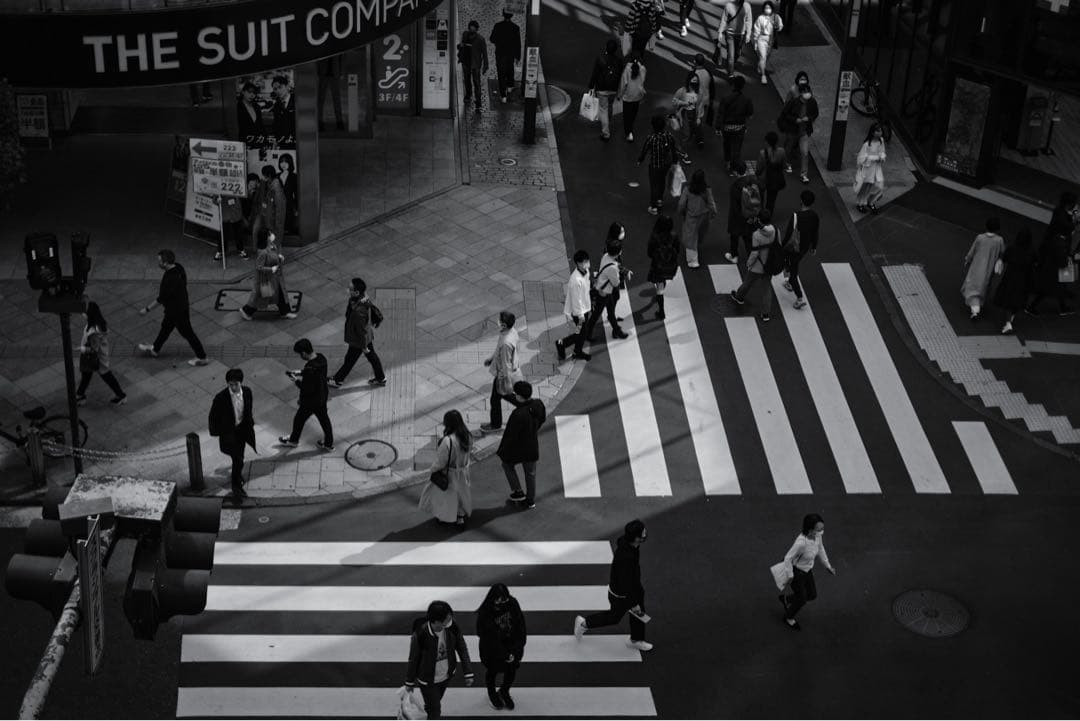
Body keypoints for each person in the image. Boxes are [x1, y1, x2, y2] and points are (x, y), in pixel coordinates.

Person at [574, 519, 653, 652]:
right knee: (614, 618)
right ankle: (584, 623)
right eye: (643, 532)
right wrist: (633, 603)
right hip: (621, 595)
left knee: (638, 614)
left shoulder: (631, 544)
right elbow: (624, 584)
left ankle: (636, 639)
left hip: (634, 588)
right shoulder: (625, 557)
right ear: (636, 538)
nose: (645, 533)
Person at [138, 249, 209, 366]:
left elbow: (161, 299)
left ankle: (202, 357)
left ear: (165, 263)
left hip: (177, 311)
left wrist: (146, 309)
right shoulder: (179, 268)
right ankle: (155, 349)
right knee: (166, 328)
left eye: (159, 261)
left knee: (188, 333)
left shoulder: (169, 279)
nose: (158, 263)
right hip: (179, 307)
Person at [405, 600, 475, 719]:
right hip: (428, 681)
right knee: (435, 710)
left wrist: (468, 672)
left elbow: (461, 647)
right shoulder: (420, 635)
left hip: (446, 676)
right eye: (446, 620)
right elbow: (413, 659)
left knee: (434, 702)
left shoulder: (451, 627)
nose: (450, 622)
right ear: (436, 621)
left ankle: (430, 708)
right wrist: (409, 682)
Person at [779, 513, 836, 631]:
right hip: (796, 572)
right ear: (810, 530)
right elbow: (788, 558)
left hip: (807, 570)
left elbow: (820, 549)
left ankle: (786, 600)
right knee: (802, 599)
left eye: (822, 528)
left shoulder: (817, 537)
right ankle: (788, 617)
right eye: (819, 529)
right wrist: (790, 575)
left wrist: (828, 566)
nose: (822, 531)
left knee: (812, 595)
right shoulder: (801, 543)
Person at [476, 584, 527, 711]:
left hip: (512, 646)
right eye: (499, 599)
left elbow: (520, 625)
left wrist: (516, 648)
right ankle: (492, 693)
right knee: (492, 671)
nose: (502, 602)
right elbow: (488, 638)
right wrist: (505, 654)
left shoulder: (512, 603)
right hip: (493, 650)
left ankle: (504, 691)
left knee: (512, 670)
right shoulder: (486, 612)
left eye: (504, 599)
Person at [328, 278, 387, 388]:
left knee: (350, 359)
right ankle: (380, 378)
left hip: (358, 340)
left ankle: (337, 380)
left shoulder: (358, 311)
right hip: (365, 337)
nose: (348, 291)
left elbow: (361, 330)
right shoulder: (361, 298)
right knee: (371, 356)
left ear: (357, 292)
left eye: (350, 289)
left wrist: (363, 346)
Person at [497, 381, 547, 509]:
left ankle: (518, 491)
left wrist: (503, 451)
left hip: (518, 448)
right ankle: (530, 500)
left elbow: (511, 436)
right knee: (530, 473)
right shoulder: (538, 404)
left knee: (507, 465)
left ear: (519, 396)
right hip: (532, 446)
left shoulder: (517, 415)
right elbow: (541, 418)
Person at [418, 411, 473, 525]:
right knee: (461, 495)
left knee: (447, 497)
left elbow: (440, 462)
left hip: (450, 474)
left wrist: (432, 470)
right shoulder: (467, 436)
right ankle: (460, 517)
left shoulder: (448, 441)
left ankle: (446, 517)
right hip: (463, 471)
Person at [208, 368, 255, 501]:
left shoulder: (247, 392)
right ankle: (236, 487)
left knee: (240, 456)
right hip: (229, 433)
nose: (233, 387)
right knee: (238, 459)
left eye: (236, 384)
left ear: (241, 382)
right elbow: (213, 416)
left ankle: (237, 477)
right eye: (231, 384)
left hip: (242, 430)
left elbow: (248, 408)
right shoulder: (220, 398)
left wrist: (250, 422)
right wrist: (218, 432)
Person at [278, 339, 334, 451]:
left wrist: (295, 380)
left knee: (299, 419)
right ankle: (328, 443)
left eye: (300, 354)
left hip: (311, 401)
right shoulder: (321, 358)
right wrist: (300, 372)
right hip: (322, 395)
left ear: (303, 353)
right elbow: (313, 370)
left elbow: (306, 388)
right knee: (324, 420)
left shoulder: (310, 369)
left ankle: (293, 440)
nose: (300, 356)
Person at [582, 226, 632, 341]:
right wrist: (623, 275)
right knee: (596, 314)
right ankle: (588, 334)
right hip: (604, 293)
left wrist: (625, 271)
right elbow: (616, 283)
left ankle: (617, 330)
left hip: (603, 289)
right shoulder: (613, 268)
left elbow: (617, 268)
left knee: (609, 311)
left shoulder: (606, 256)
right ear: (618, 252)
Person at [730, 208, 777, 322]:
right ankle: (765, 314)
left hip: (758, 265)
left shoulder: (757, 234)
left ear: (759, 220)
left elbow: (755, 253)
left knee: (748, 282)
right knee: (766, 288)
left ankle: (739, 297)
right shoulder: (775, 230)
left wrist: (749, 263)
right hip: (769, 264)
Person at [76, 301, 126, 406]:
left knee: (104, 375)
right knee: (88, 374)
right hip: (96, 357)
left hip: (96, 357)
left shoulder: (94, 330)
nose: (83, 314)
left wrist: (82, 349)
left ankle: (121, 395)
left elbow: (94, 349)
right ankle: (80, 395)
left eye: (85, 312)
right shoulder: (97, 323)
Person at [240, 230, 296, 320]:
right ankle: (246, 311)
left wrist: (279, 257)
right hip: (266, 279)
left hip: (274, 277)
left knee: (280, 293)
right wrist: (271, 269)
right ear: (266, 238)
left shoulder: (272, 246)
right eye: (269, 234)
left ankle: (285, 311)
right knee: (261, 297)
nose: (272, 235)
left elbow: (274, 256)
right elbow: (259, 267)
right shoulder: (263, 252)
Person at [480, 311, 522, 433]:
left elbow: (506, 363)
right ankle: (524, 405)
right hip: (506, 372)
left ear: (503, 325)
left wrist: (506, 381)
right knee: (501, 396)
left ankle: (496, 424)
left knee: (499, 397)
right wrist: (492, 358)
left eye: (499, 321)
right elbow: (500, 351)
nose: (497, 322)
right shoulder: (511, 332)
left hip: (503, 375)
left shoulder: (506, 343)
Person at [961, 217, 1006, 321]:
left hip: (976, 267)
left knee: (972, 287)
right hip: (989, 269)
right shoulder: (999, 240)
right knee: (983, 287)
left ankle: (975, 311)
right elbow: (1002, 252)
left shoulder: (980, 238)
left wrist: (967, 259)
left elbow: (972, 250)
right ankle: (977, 307)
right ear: (997, 228)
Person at [781, 190, 820, 309]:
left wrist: (781, 247)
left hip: (793, 247)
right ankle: (788, 282)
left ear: (801, 201)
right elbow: (815, 232)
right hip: (804, 247)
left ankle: (799, 297)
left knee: (793, 271)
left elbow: (788, 234)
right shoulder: (814, 216)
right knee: (793, 263)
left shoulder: (796, 216)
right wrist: (814, 246)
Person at [994, 229, 1037, 334]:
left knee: (1008, 300)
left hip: (1011, 278)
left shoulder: (1012, 248)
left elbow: (1004, 258)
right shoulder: (1032, 251)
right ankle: (1012, 316)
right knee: (1018, 300)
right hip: (1025, 280)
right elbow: (1035, 263)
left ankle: (1008, 323)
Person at [1026, 228, 1075, 317]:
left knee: (1053, 290)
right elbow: (1062, 262)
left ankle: (1062, 308)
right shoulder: (1061, 245)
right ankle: (1031, 307)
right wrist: (1069, 260)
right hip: (1054, 273)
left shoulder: (1055, 239)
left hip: (1048, 269)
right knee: (1051, 290)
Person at [556, 250, 594, 361]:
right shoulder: (575, 280)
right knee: (581, 333)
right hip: (579, 312)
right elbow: (576, 300)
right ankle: (562, 344)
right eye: (584, 262)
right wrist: (580, 315)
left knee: (581, 332)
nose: (587, 263)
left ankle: (575, 350)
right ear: (578, 263)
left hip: (585, 308)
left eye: (587, 260)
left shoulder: (586, 271)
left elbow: (586, 288)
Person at [638, 115, 680, 215]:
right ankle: (660, 200)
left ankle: (653, 207)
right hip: (665, 164)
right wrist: (675, 160)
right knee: (661, 181)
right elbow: (674, 148)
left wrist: (640, 159)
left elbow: (645, 150)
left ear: (653, 126)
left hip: (654, 166)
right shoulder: (669, 135)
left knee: (654, 185)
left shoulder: (651, 138)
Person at [778, 80, 818, 183]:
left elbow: (815, 114)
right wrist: (795, 120)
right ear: (800, 93)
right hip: (793, 130)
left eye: (808, 91)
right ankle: (787, 163)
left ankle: (804, 174)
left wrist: (808, 118)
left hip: (804, 131)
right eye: (804, 91)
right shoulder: (794, 102)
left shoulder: (812, 102)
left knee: (804, 152)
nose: (807, 94)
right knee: (789, 148)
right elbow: (786, 114)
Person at [677, 169, 717, 269]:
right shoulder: (707, 189)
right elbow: (711, 203)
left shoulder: (688, 189)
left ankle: (692, 261)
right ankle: (696, 248)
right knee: (699, 234)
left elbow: (682, 204)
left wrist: (682, 212)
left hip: (691, 217)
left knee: (691, 237)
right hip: (704, 216)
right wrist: (713, 214)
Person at [725, 160, 762, 263]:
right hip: (751, 215)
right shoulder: (754, 181)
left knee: (734, 236)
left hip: (738, 217)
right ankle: (751, 259)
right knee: (748, 239)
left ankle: (734, 256)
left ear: (736, 172)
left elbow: (735, 206)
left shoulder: (736, 186)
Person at [716, 75, 754, 172]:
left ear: (733, 85)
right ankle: (735, 163)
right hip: (739, 128)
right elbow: (750, 114)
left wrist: (718, 127)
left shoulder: (725, 98)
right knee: (737, 147)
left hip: (726, 127)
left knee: (727, 144)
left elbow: (720, 114)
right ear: (743, 86)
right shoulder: (746, 100)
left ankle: (728, 162)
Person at [646, 215, 682, 319]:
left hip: (658, 266)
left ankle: (661, 311)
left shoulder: (655, 237)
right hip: (671, 265)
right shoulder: (674, 236)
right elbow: (678, 250)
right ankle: (660, 294)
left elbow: (649, 253)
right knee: (662, 283)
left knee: (660, 287)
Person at [588, 40, 623, 142]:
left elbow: (595, 74)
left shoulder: (601, 59)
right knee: (610, 106)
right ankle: (608, 121)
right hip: (613, 89)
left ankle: (606, 133)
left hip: (602, 88)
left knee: (603, 109)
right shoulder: (619, 61)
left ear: (606, 47)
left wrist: (591, 86)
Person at [854, 123, 887, 213]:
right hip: (868, 169)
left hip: (877, 168)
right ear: (873, 132)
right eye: (878, 131)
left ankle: (871, 201)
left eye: (880, 130)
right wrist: (874, 158)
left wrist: (882, 156)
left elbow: (882, 151)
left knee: (879, 186)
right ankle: (860, 203)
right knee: (865, 187)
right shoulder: (866, 144)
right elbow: (861, 158)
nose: (880, 132)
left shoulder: (881, 141)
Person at [489, 12, 521, 103]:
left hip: (500, 53)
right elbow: (517, 44)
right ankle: (510, 86)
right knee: (510, 69)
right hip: (510, 54)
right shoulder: (515, 27)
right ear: (512, 16)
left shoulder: (498, 26)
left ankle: (503, 95)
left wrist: (499, 42)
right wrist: (518, 56)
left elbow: (492, 39)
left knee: (501, 73)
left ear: (503, 15)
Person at [716, 0, 752, 79]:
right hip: (730, 35)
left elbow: (748, 21)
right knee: (731, 56)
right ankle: (731, 75)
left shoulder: (747, 6)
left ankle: (731, 63)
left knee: (737, 53)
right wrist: (720, 32)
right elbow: (724, 20)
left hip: (741, 35)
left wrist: (748, 34)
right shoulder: (729, 5)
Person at [458, 21, 488, 111]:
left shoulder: (480, 39)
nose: (472, 29)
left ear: (477, 29)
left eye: (473, 28)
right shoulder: (465, 35)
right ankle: (468, 94)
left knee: (477, 83)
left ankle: (478, 102)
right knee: (467, 80)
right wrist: (460, 46)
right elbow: (460, 46)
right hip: (466, 62)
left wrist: (485, 65)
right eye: (470, 27)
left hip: (475, 64)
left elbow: (485, 53)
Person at [751, 1, 783, 85]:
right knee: (763, 57)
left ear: (772, 8)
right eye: (766, 8)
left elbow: (780, 26)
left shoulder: (776, 17)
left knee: (767, 56)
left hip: (771, 40)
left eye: (769, 8)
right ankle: (763, 75)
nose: (767, 9)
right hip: (761, 39)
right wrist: (755, 41)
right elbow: (756, 30)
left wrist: (778, 27)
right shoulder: (760, 18)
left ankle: (760, 67)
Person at [756, 131, 788, 214]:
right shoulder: (782, 151)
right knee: (771, 199)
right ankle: (768, 215)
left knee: (760, 197)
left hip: (763, 178)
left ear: (766, 141)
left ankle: (760, 213)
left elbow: (759, 168)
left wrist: (757, 174)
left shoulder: (763, 153)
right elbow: (784, 166)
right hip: (775, 179)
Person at [618, 53, 647, 143]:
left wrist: (619, 95)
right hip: (638, 96)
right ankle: (631, 126)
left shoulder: (627, 69)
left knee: (626, 115)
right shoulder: (643, 69)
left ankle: (629, 132)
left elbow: (623, 84)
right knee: (633, 113)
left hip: (628, 96)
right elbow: (642, 82)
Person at [673, 72, 704, 149]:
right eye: (693, 80)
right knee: (686, 132)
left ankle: (692, 140)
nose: (695, 83)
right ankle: (680, 148)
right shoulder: (682, 91)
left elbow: (700, 105)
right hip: (685, 113)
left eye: (696, 81)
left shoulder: (699, 92)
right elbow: (674, 101)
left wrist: (699, 117)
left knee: (694, 128)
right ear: (689, 81)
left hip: (694, 113)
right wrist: (683, 103)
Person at [215, 193, 248, 261]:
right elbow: (214, 199)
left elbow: (243, 195)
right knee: (223, 235)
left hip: (235, 213)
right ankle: (221, 251)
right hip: (224, 214)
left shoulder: (237, 184)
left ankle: (241, 249)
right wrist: (217, 200)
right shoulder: (219, 185)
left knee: (238, 233)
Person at [316, 55, 345, 131]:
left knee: (336, 99)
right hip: (324, 73)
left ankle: (339, 122)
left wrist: (341, 72)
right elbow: (318, 59)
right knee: (321, 99)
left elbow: (342, 58)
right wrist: (318, 71)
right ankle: (320, 122)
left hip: (334, 73)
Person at [259, 164, 287, 241]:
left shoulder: (276, 189)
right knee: (271, 242)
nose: (262, 177)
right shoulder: (269, 185)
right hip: (270, 221)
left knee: (275, 242)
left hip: (274, 222)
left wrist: (277, 225)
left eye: (264, 175)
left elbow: (280, 209)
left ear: (269, 175)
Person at [278, 153, 299, 235]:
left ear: (290, 163)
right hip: (277, 204)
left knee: (288, 227)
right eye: (281, 162)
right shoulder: (276, 175)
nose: (283, 164)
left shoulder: (294, 176)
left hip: (289, 204)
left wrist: (297, 208)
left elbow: (297, 193)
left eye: (286, 162)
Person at [271, 75, 296, 143]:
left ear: (287, 86)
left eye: (280, 87)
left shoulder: (296, 100)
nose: (278, 91)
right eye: (275, 89)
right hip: (282, 141)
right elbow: (276, 125)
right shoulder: (276, 105)